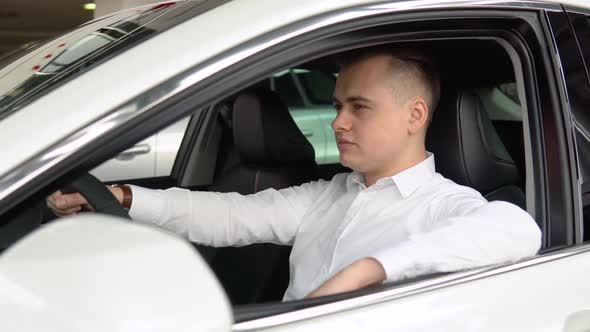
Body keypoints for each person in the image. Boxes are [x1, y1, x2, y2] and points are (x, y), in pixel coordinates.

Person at [47, 47, 542, 301]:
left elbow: (518, 231)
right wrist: (125, 196)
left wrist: (370, 269)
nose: (338, 122)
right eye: (337, 105)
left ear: (415, 117)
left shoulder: (446, 207)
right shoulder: (329, 194)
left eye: (359, 107)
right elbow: (232, 216)